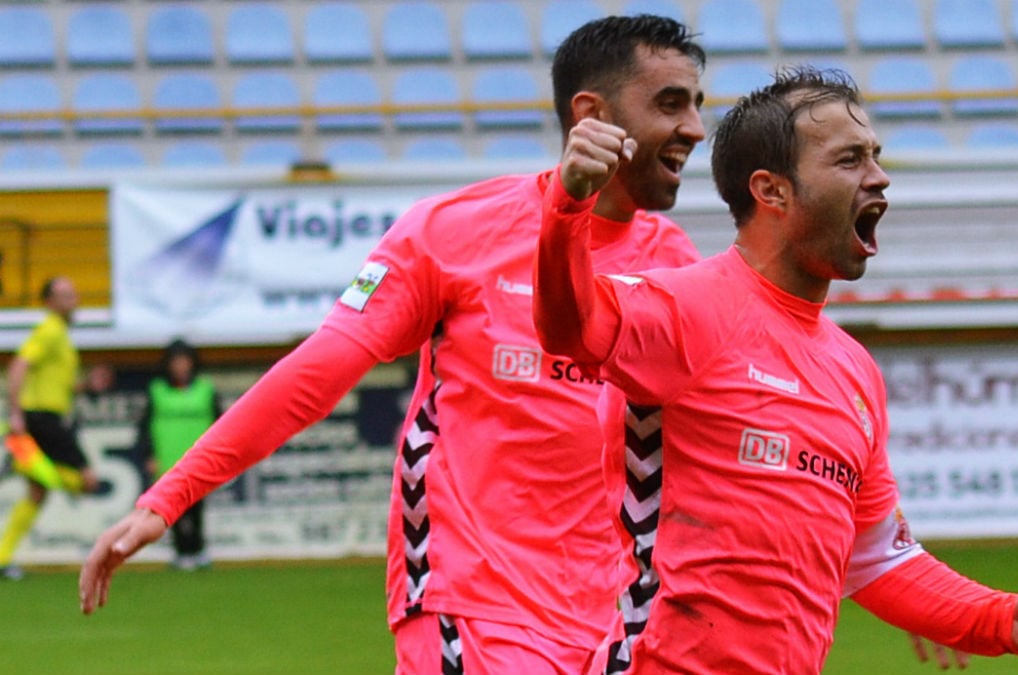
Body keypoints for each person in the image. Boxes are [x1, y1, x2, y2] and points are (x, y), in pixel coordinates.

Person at [80, 15, 706, 675]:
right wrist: (168, 496)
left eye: (696, 103)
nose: (694, 127)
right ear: (592, 114)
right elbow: (317, 372)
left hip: (610, 620)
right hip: (468, 606)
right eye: (670, 103)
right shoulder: (453, 231)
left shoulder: (677, 266)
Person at [531, 65, 1018, 674]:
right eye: (850, 161)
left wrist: (998, 618)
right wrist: (569, 207)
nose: (879, 177)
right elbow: (570, 328)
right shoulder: (683, 308)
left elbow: (878, 558)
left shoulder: (853, 370)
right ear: (773, 191)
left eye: (874, 156)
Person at [0, 276, 101, 580]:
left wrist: (85, 386)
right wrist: (16, 414)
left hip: (44, 419)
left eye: (74, 294)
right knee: (87, 481)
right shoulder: (49, 330)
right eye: (66, 295)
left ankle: (3, 558)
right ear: (49, 302)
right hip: (39, 420)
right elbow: (18, 366)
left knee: (37, 493)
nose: (74, 300)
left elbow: (61, 386)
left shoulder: (61, 337)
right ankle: (20, 462)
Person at [134, 339, 220, 571]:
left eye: (185, 361)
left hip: (200, 458)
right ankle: (181, 551)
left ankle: (198, 548)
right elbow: (144, 426)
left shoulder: (205, 389)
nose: (181, 366)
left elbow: (222, 424)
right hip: (169, 458)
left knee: (198, 506)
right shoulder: (157, 390)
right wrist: (149, 454)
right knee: (173, 508)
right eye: (176, 361)